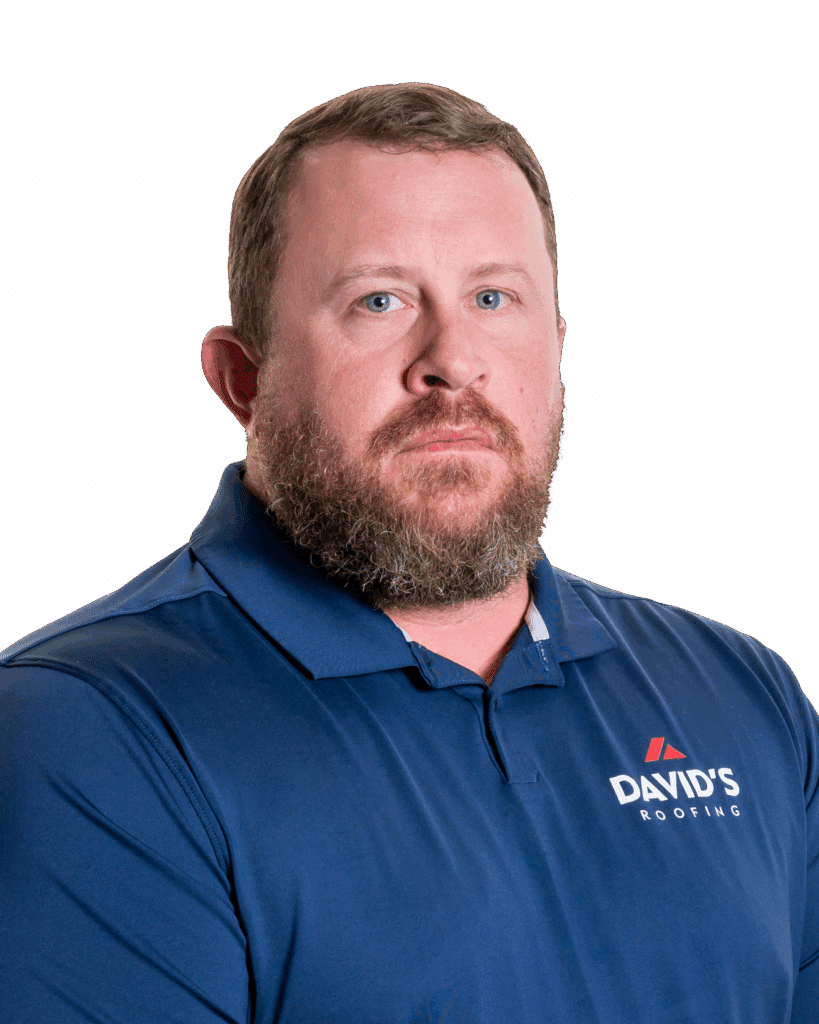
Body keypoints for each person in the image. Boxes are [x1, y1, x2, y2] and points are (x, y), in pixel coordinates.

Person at [1, 82, 816, 1024]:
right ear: (245, 379)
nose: (452, 359)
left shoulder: (740, 696)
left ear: (552, 356)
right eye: (378, 300)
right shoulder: (87, 728)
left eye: (491, 297)